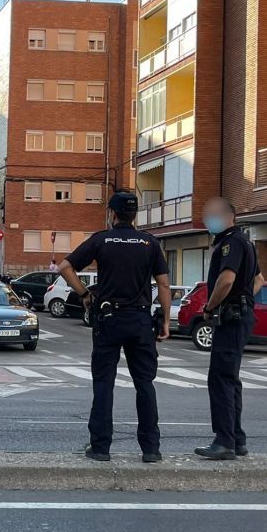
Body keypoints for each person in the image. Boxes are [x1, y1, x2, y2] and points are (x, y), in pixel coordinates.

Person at [59, 190, 171, 464]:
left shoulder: (102, 240)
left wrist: (85, 294)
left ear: (112, 214)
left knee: (104, 384)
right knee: (145, 384)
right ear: (135, 216)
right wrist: (166, 320)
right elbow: (164, 284)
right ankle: (151, 449)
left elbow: (64, 267)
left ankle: (101, 448)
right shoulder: (150, 243)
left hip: (109, 320)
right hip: (141, 320)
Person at [195, 197, 264, 460]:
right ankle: (237, 439)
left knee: (221, 378)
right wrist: (244, 295)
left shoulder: (231, 242)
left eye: (212, 215)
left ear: (227, 216)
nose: (207, 220)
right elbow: (259, 280)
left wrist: (212, 306)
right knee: (230, 378)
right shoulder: (245, 241)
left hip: (232, 317)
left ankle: (224, 441)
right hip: (240, 314)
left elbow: (226, 279)